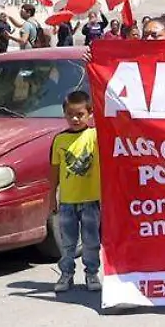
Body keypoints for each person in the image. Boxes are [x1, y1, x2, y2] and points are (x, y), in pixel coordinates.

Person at [50, 90, 102, 293]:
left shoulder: (96, 136)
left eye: (80, 114)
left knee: (91, 242)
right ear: (64, 114)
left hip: (91, 201)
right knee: (68, 243)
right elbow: (53, 172)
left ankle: (92, 273)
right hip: (67, 202)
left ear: (90, 113)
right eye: (70, 114)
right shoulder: (59, 140)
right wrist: (51, 199)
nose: (74, 118)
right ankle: (66, 274)